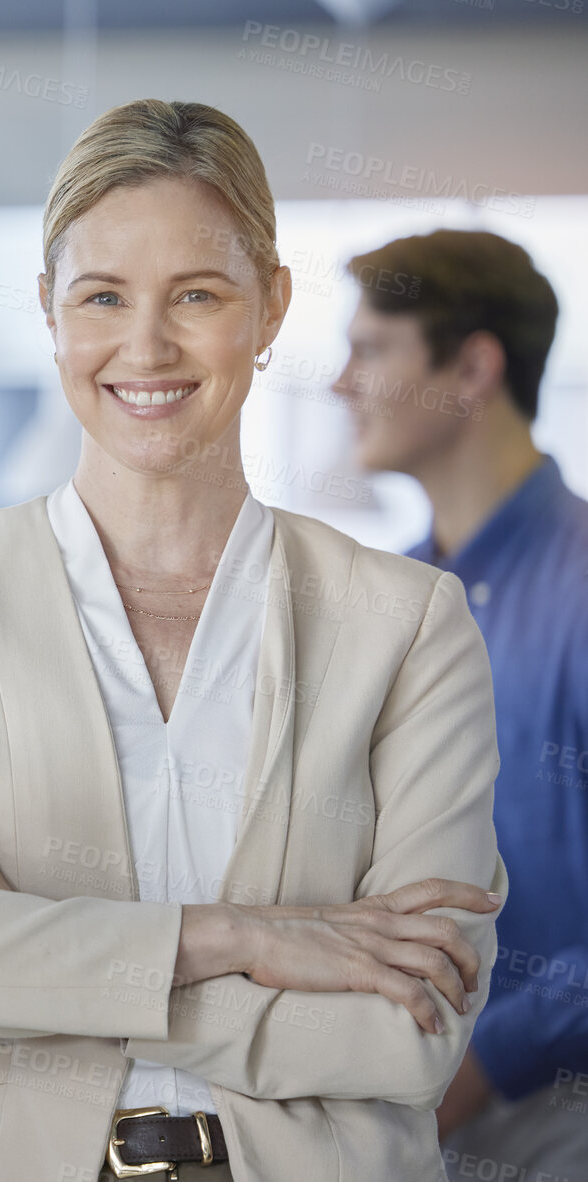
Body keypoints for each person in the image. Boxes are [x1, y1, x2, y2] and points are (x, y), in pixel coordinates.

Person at [0, 99, 508, 1182]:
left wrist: (22, 945)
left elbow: (404, 1034)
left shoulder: (405, 622)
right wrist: (239, 937)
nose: (145, 346)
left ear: (269, 308)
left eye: (198, 296)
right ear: (48, 310)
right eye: (102, 297)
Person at [332, 229, 588, 1174]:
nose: (338, 383)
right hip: (399, 1104)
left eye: (369, 349)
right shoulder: (379, 605)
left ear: (473, 366)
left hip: (552, 1112)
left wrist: (483, 1062)